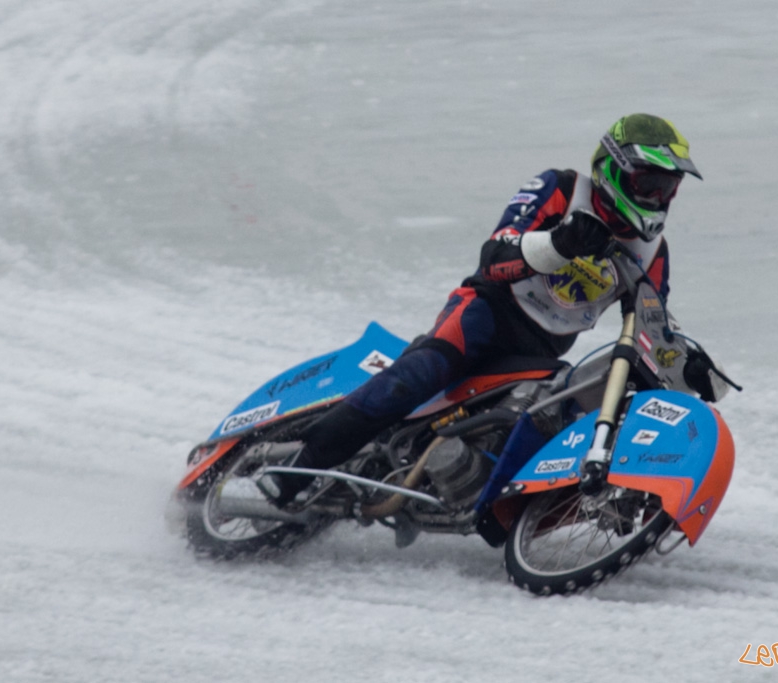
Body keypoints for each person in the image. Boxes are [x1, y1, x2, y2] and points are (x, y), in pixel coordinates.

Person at [258, 113, 702, 508]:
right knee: (417, 375)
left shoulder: (652, 253)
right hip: (486, 313)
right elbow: (494, 257)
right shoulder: (561, 189)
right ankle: (294, 469)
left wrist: (685, 364)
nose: (658, 196)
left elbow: (650, 324)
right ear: (613, 170)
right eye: (649, 183)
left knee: (554, 417)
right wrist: (559, 243)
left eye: (668, 187)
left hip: (543, 351)